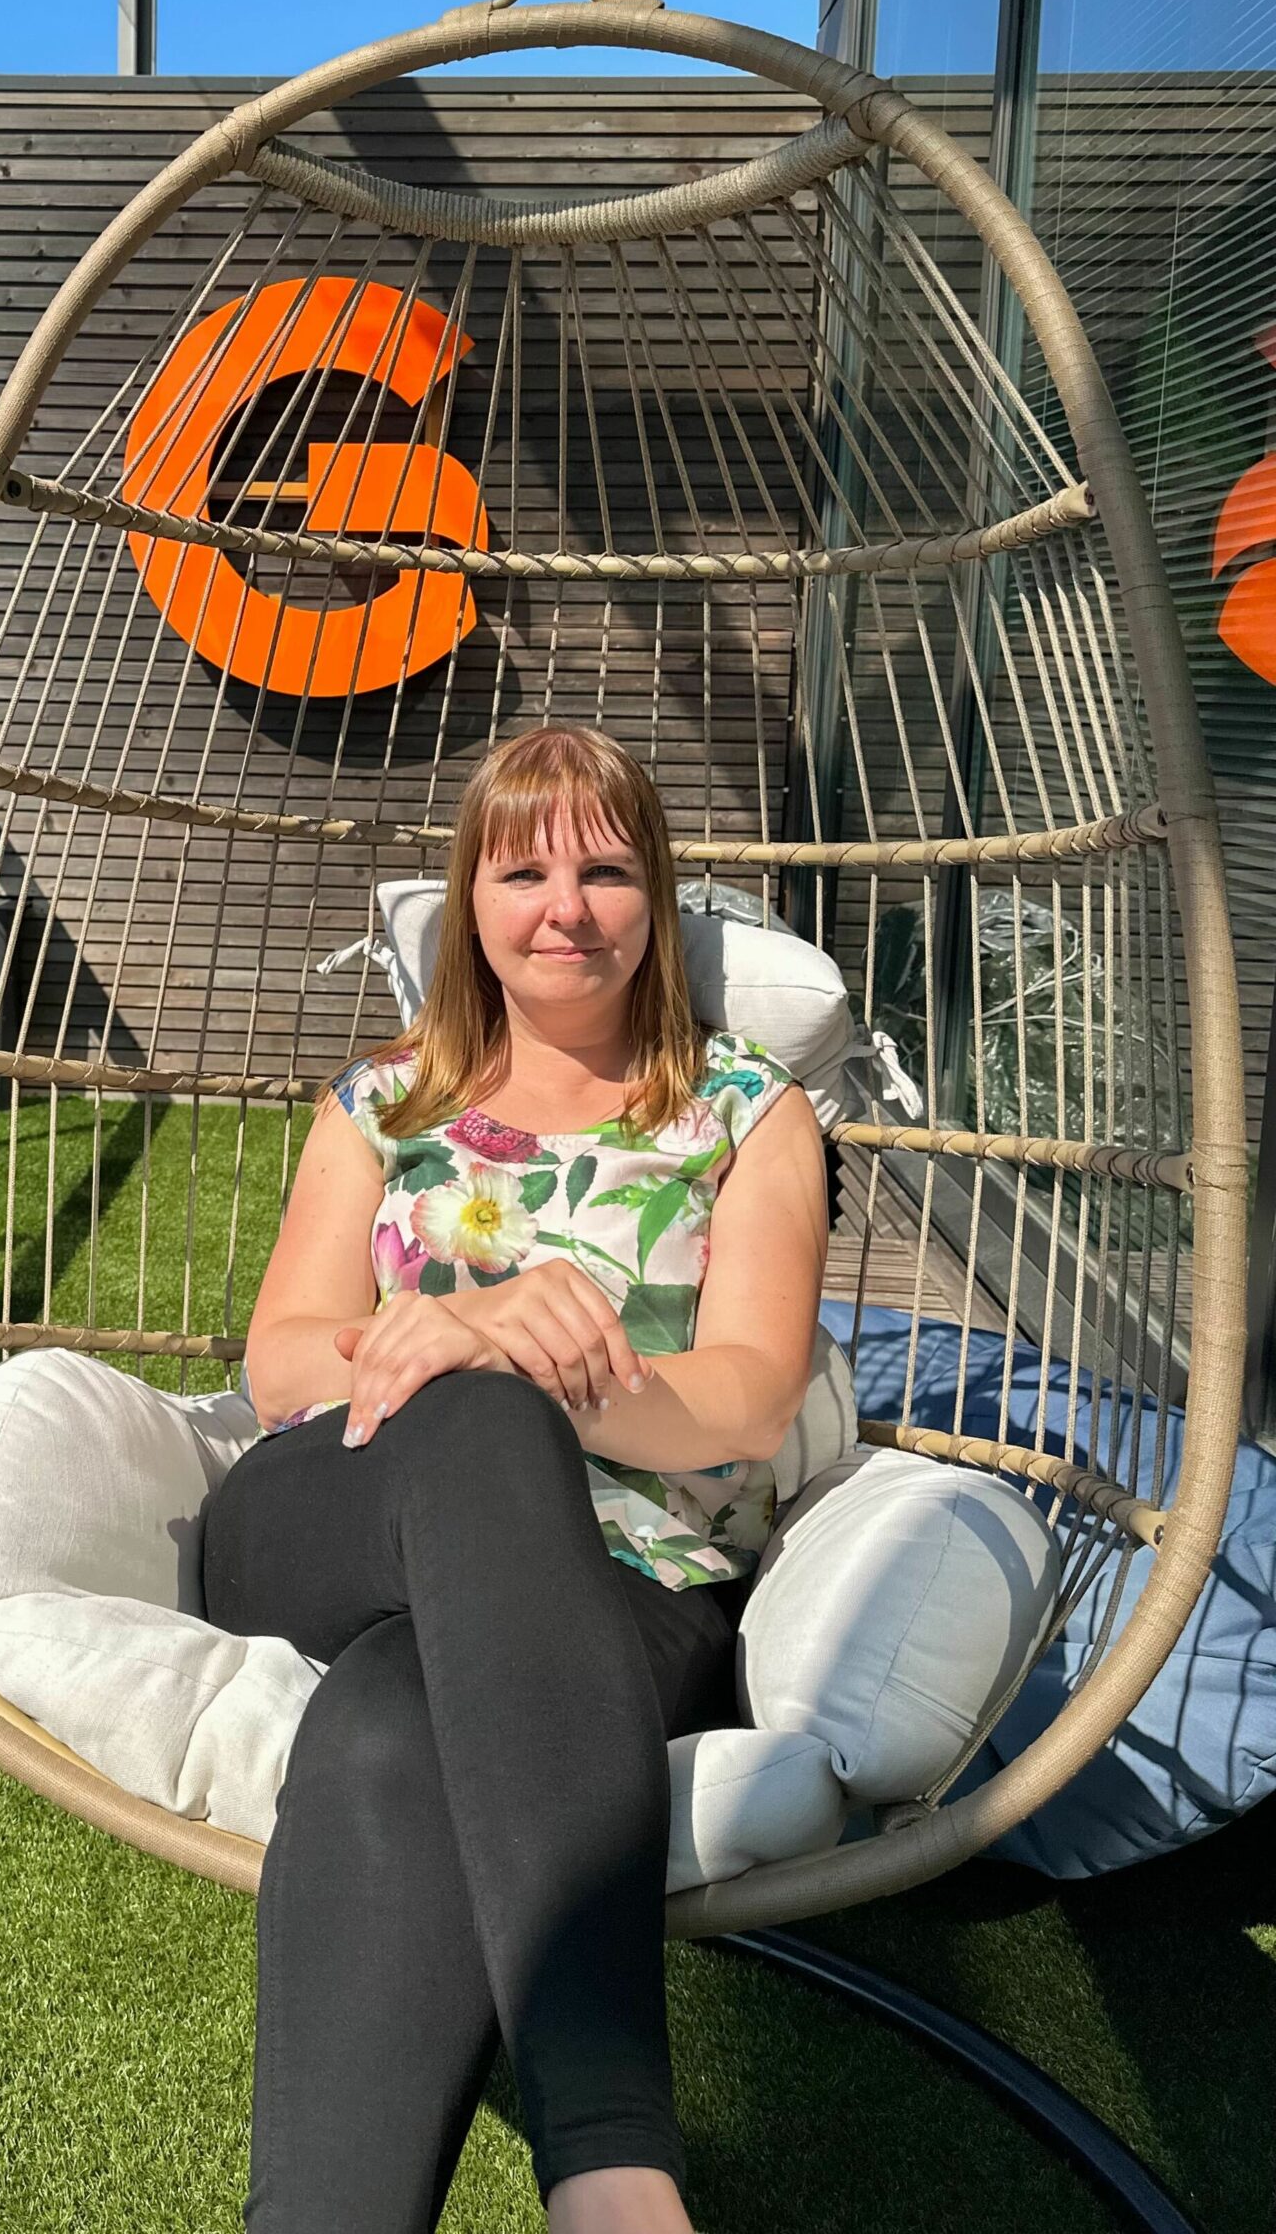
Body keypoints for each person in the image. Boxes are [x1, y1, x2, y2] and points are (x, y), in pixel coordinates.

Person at [199, 723, 829, 2234]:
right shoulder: (383, 1104)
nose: (568, 906)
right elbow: (284, 1361)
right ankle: (614, 2167)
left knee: (385, 1727)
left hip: (624, 1588)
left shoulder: (747, 1116)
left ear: (656, 899)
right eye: (525, 867)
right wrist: (477, 1339)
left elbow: (746, 1397)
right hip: (338, 1514)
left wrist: (572, 1379)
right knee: (482, 1424)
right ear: (471, 901)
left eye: (609, 869)